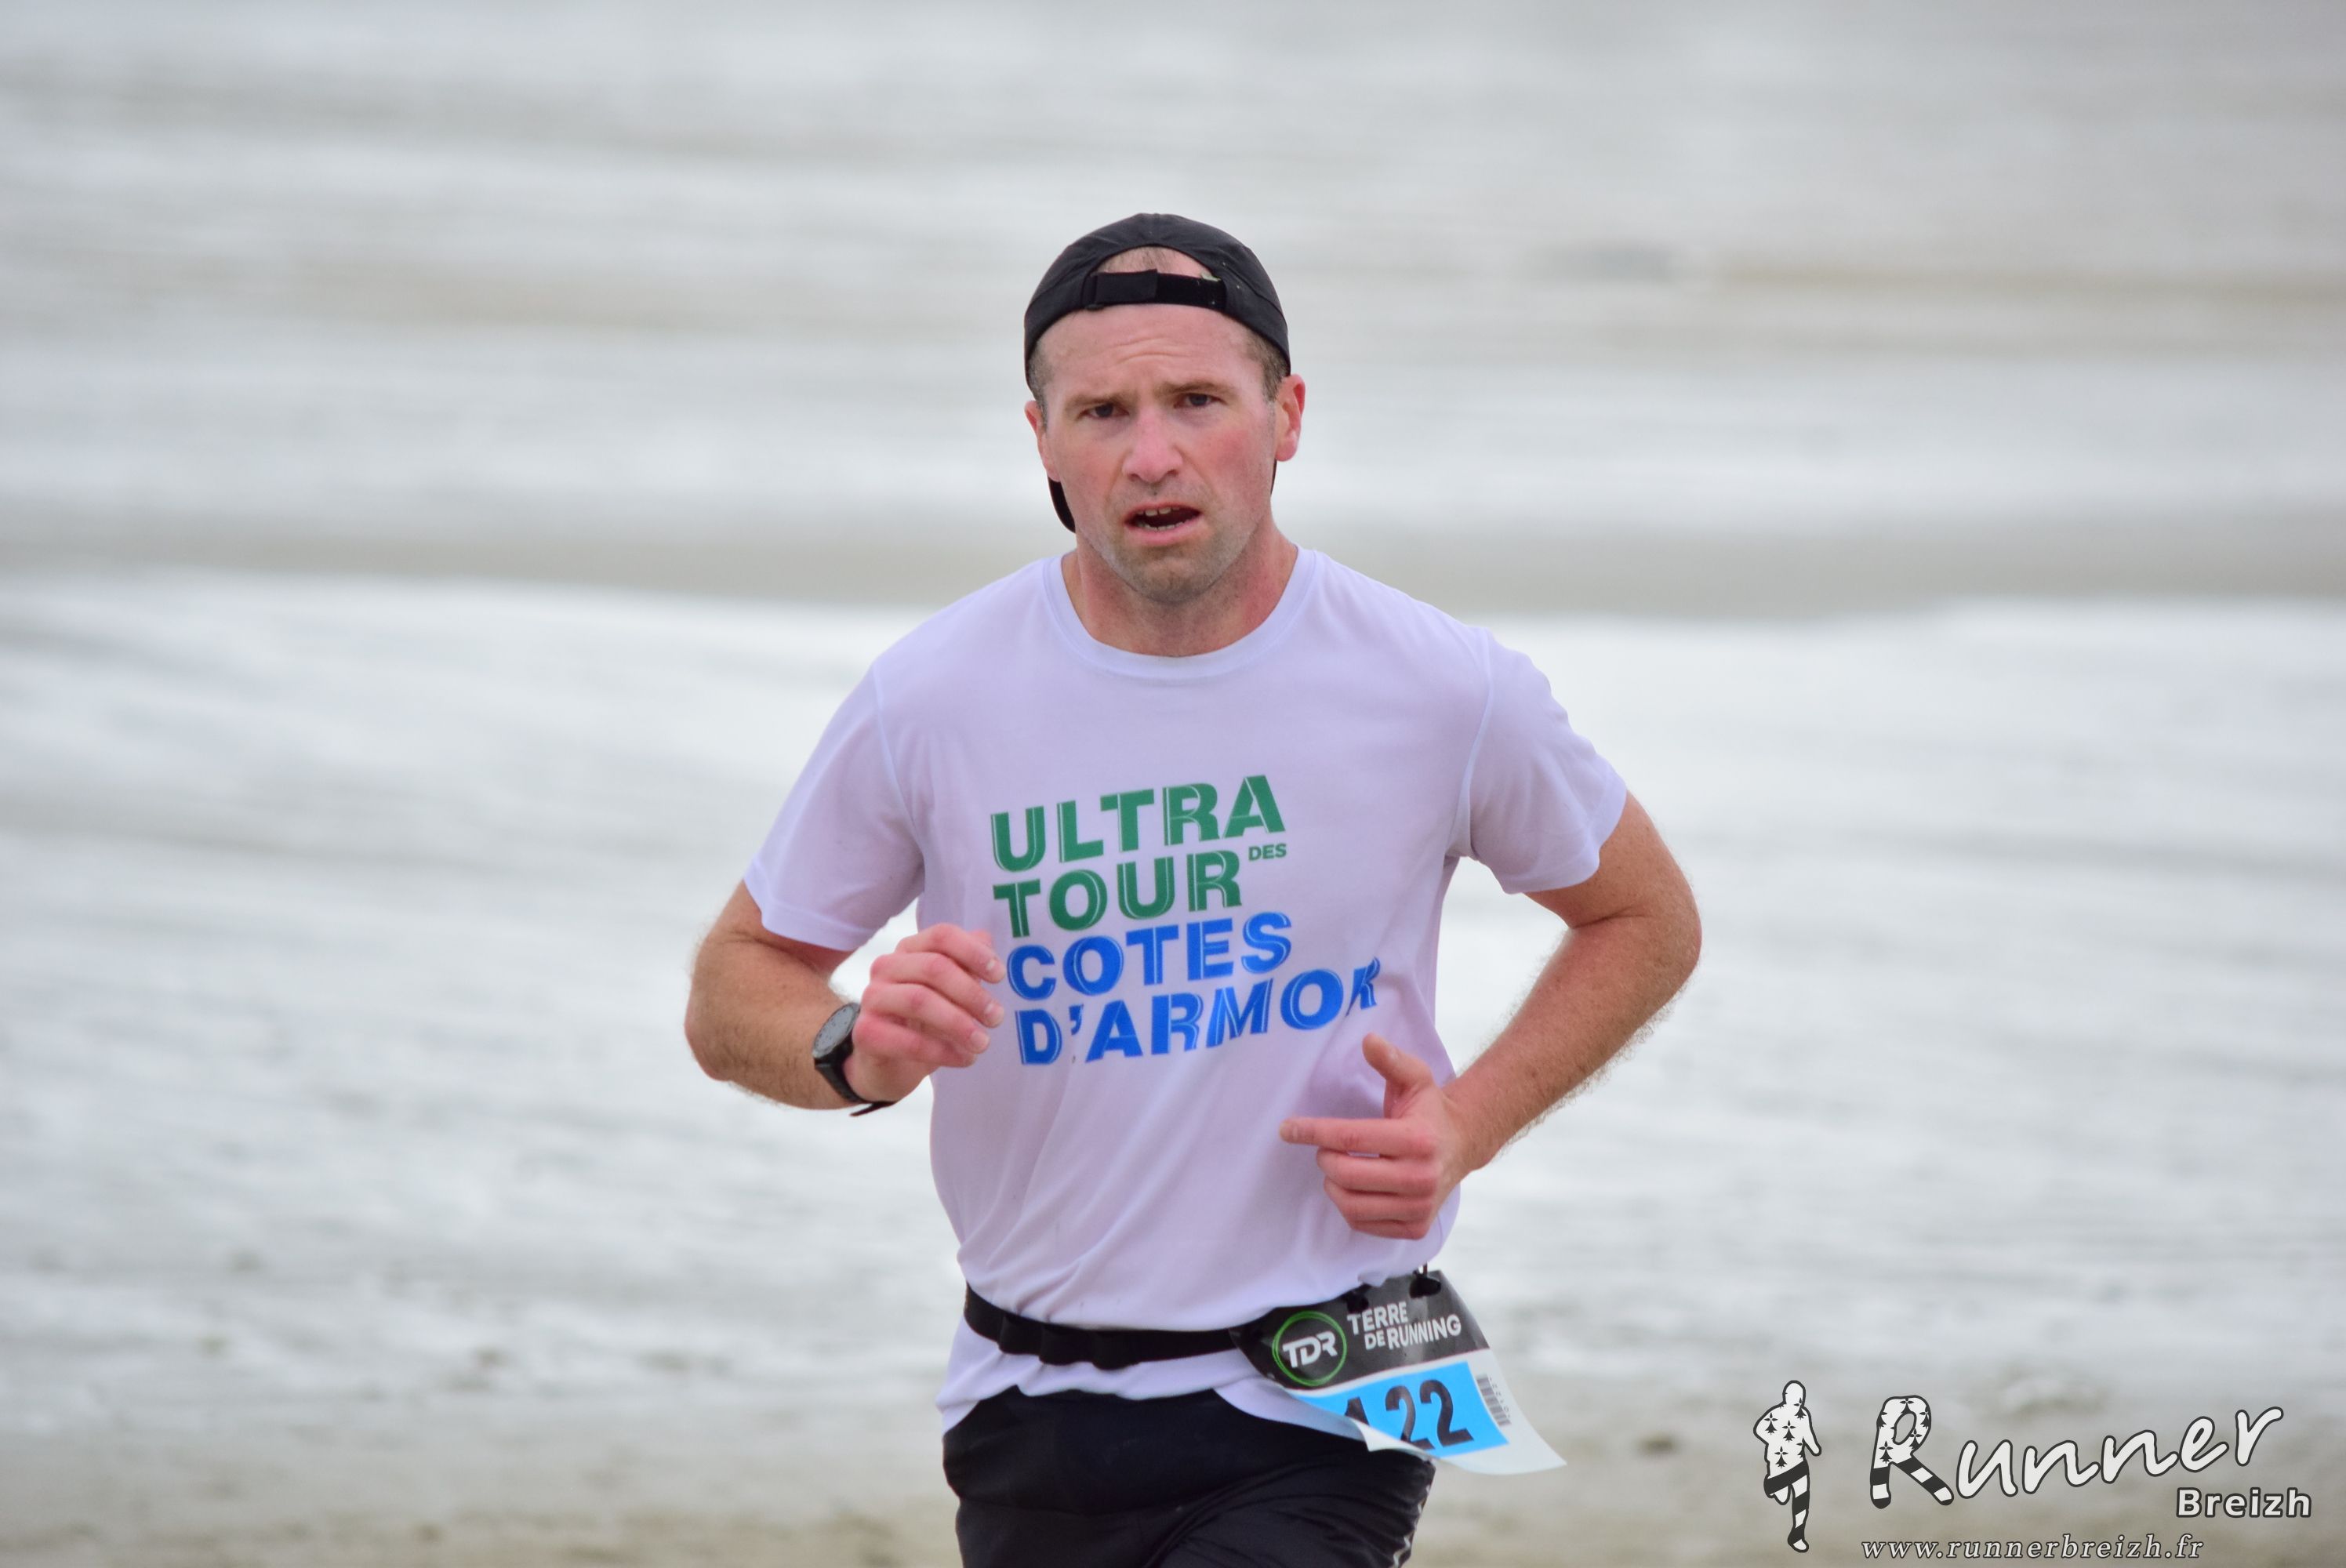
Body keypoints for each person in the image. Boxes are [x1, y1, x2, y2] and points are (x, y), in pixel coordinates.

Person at [684, 212, 1701, 1567]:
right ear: (1043, 441)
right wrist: (852, 1044)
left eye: (1198, 402)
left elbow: (1645, 918)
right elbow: (732, 988)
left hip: (1336, 1380)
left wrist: (1468, 1123)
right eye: (1102, 411)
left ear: (1287, 417)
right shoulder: (934, 696)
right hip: (1027, 1397)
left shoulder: (1439, 688)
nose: (1152, 454)